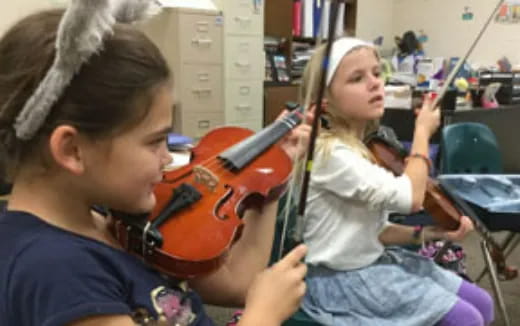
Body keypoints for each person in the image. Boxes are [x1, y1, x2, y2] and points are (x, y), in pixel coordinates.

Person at [0, 2, 312, 326]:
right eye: (154, 141)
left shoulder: (108, 220)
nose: (167, 158)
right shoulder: (56, 273)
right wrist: (262, 317)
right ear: (73, 150)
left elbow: (237, 283)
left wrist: (271, 173)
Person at [298, 37, 494, 326]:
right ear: (325, 102)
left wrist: (432, 233)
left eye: (377, 73)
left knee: (483, 303)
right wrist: (422, 134)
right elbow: (411, 198)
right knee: (466, 319)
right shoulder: (330, 153)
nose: (375, 83)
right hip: (339, 281)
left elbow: (375, 232)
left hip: (372, 263)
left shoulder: (359, 148)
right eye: (357, 78)